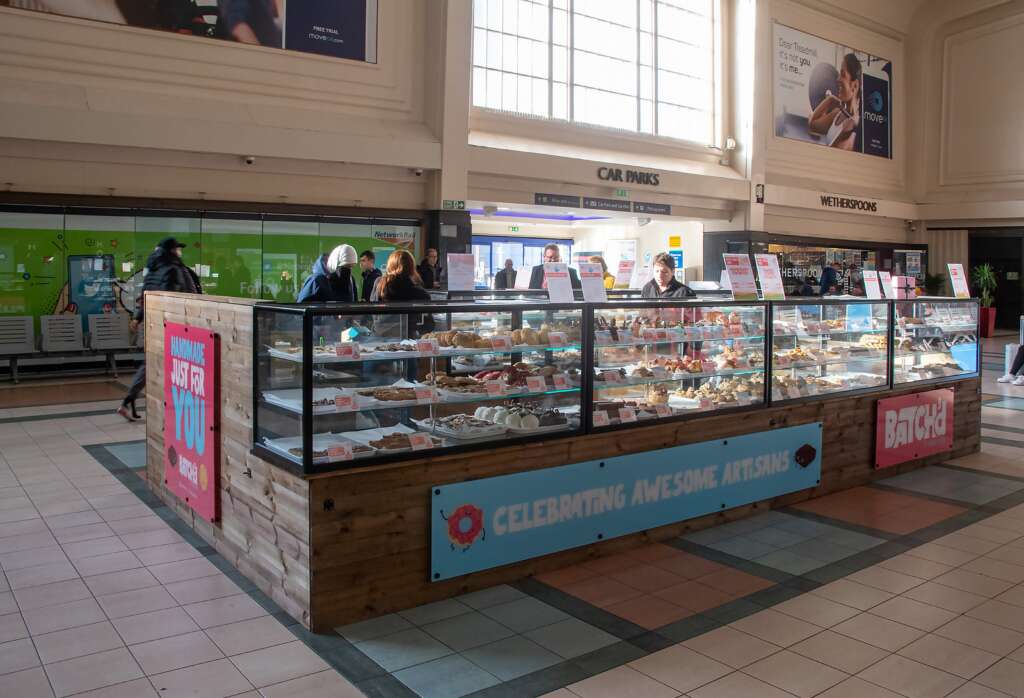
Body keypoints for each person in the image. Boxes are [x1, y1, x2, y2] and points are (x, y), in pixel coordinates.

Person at [118, 237, 201, 422]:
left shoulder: (153, 270)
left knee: (151, 363)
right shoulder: (175, 269)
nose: (180, 252)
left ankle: (128, 400)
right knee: (179, 366)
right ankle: (173, 410)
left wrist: (137, 318)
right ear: (172, 251)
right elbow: (179, 297)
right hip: (173, 325)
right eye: (178, 249)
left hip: (152, 324)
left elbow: (145, 296)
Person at [808, 53, 862, 151]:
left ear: (854, 85)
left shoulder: (854, 125)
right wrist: (830, 99)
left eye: (843, 74)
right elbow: (813, 125)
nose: (838, 79)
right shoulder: (838, 113)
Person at [378, 250, 434, 336]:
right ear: (412, 268)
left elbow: (374, 318)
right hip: (411, 339)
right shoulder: (421, 294)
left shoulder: (380, 287)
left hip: (381, 339)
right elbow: (428, 325)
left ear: (390, 266)